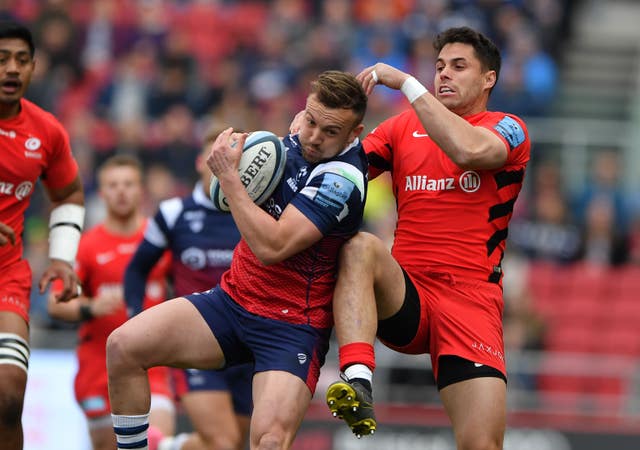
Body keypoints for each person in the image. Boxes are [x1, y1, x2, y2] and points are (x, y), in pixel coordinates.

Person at [106, 69, 368, 450]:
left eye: (330, 132)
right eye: (310, 121)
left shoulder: (342, 179)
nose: (313, 137)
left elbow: (272, 247)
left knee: (268, 441)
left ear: (353, 134)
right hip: (230, 303)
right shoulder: (293, 139)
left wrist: (229, 176)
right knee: (122, 347)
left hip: (290, 327)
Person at [325, 27, 531, 449]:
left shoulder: (509, 128)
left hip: (471, 304)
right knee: (361, 246)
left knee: (483, 444)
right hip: (409, 294)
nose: (444, 75)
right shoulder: (402, 128)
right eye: (438, 67)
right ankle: (358, 381)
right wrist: (310, 136)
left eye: (458, 66)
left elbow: (469, 151)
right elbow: (341, 171)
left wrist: (404, 82)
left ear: (488, 78)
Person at [124, 126, 252, 450]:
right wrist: (135, 319)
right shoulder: (173, 213)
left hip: (249, 343)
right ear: (200, 162)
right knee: (223, 442)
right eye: (216, 159)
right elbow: (137, 269)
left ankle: (166, 447)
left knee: (236, 444)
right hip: (197, 343)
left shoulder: (254, 211)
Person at [47, 155, 176, 450]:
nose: (121, 191)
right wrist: (91, 306)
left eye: (128, 184)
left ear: (140, 190)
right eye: (113, 185)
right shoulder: (87, 245)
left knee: (154, 442)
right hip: (97, 371)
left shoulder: (160, 241)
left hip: (152, 366)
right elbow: (56, 303)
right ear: (102, 193)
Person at [0, 21, 85, 450]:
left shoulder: (46, 131)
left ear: (33, 68)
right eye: (1, 60)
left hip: (6, 275)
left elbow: (69, 193)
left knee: (9, 393)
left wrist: (61, 257)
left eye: (20, 60)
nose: (11, 69)